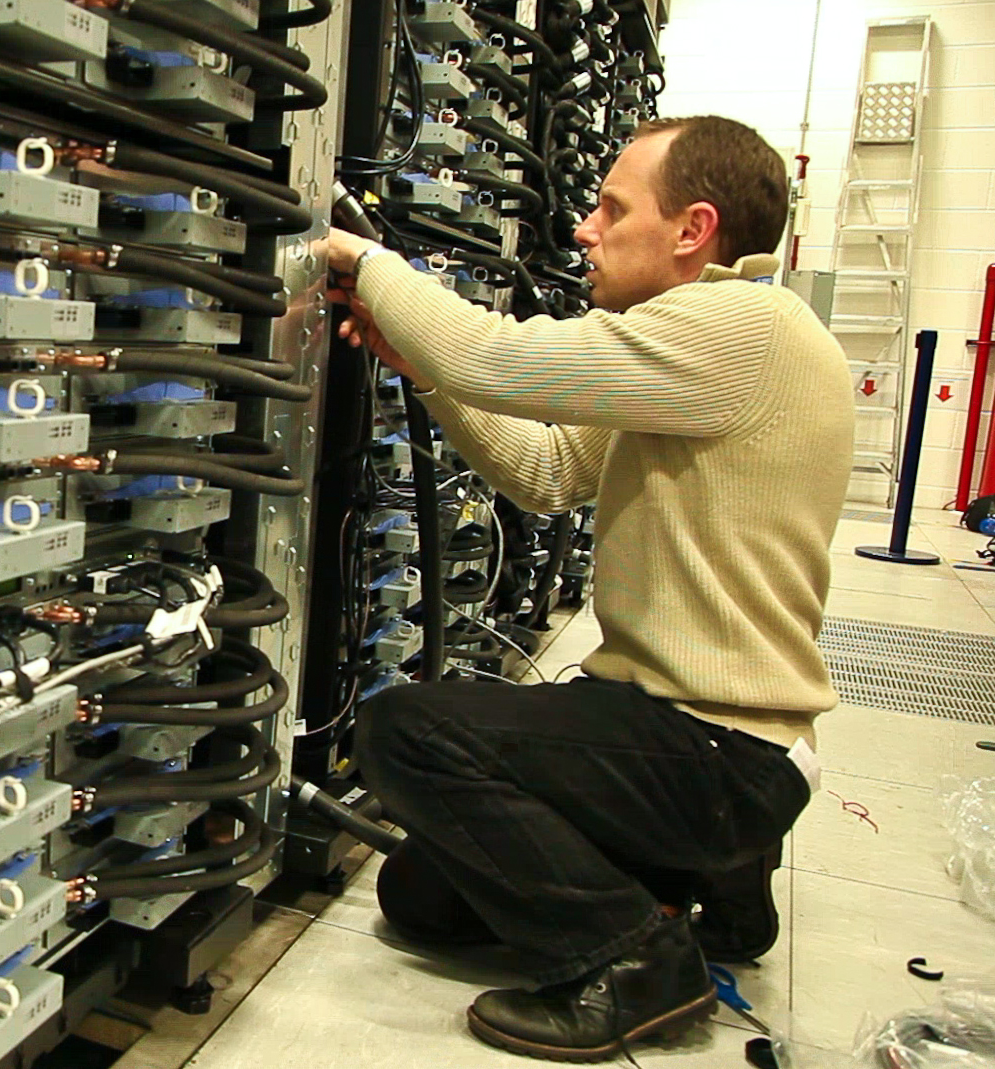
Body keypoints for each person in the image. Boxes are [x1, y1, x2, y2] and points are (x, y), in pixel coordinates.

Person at [323, 115, 852, 1062]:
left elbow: (497, 356)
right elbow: (548, 470)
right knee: (422, 894)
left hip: (718, 744)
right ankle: (709, 880)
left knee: (406, 729)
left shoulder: (741, 324)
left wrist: (369, 265)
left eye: (612, 209)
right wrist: (429, 373)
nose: (583, 228)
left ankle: (636, 960)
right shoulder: (690, 355)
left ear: (693, 230)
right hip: (691, 742)